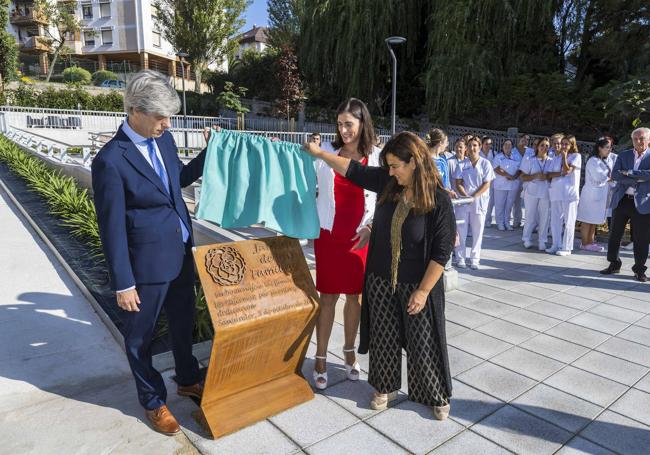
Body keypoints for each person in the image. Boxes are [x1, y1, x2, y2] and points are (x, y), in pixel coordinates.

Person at [303, 131, 456, 420]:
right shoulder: (389, 183)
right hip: (381, 277)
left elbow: (441, 251)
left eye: (396, 165)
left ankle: (434, 392)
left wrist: (423, 292)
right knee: (384, 337)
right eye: (388, 165)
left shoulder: (437, 199)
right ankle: (383, 387)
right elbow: (354, 170)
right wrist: (321, 154)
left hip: (417, 281)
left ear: (415, 162)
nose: (391, 171)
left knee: (423, 341)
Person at [91, 70, 209, 435]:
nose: (166, 123)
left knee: (182, 323)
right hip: (144, 266)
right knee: (140, 337)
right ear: (135, 111)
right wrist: (123, 283)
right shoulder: (110, 161)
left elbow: (178, 181)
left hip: (180, 253)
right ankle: (153, 401)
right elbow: (110, 229)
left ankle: (187, 378)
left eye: (168, 116)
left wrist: (211, 153)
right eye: (160, 116)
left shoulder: (165, 139)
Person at [312, 98, 379, 389]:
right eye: (340, 124)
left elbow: (386, 196)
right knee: (327, 297)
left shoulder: (377, 156)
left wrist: (371, 227)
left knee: (355, 297)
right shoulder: (326, 152)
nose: (344, 129)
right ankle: (321, 355)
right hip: (328, 236)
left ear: (362, 123)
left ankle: (349, 351)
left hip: (359, 237)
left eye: (349, 124)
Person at [601, 127, 650, 282]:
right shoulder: (624, 155)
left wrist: (628, 173)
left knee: (641, 238)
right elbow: (615, 175)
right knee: (615, 234)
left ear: (648, 140)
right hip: (622, 200)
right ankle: (614, 264)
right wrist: (639, 178)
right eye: (635, 138)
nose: (638, 141)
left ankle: (639, 270)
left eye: (642, 138)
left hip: (642, 203)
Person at [454, 136, 495, 269]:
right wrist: (466, 196)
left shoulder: (485, 163)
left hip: (479, 201)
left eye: (475, 145)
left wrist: (474, 196)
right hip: (463, 201)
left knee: (478, 232)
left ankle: (475, 259)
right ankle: (460, 258)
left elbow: (487, 183)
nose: (472, 148)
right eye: (470, 145)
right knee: (461, 231)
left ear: (480, 147)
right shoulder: (461, 164)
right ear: (466, 148)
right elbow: (458, 183)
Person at [577, 138, 614, 252]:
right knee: (587, 219)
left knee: (594, 220)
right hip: (591, 195)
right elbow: (599, 177)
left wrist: (610, 177)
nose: (609, 150)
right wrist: (610, 177)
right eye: (607, 147)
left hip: (600, 195)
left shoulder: (606, 160)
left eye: (610, 147)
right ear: (599, 148)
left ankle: (590, 242)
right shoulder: (593, 160)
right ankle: (584, 243)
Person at [547, 135, 582, 256]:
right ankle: (556, 244)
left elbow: (567, 171)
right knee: (555, 221)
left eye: (566, 144)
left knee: (569, 222)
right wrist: (560, 172)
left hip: (569, 195)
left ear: (572, 145)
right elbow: (549, 174)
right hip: (556, 193)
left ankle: (567, 247)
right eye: (563, 143)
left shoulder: (576, 156)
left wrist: (565, 157)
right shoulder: (556, 157)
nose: (563, 146)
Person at [519, 137, 553, 250]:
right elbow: (522, 176)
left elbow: (554, 176)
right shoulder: (529, 159)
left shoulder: (551, 161)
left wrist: (547, 177)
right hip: (532, 191)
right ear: (537, 146)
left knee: (544, 217)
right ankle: (526, 238)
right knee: (530, 216)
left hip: (545, 192)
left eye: (547, 146)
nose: (544, 148)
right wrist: (535, 176)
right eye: (542, 145)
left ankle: (542, 241)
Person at [492, 139, 521, 231]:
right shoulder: (498, 157)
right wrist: (508, 175)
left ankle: (507, 222)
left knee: (509, 205)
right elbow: (496, 169)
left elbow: (520, 168)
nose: (507, 146)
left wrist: (514, 177)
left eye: (509, 145)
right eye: (505, 144)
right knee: (500, 205)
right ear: (502, 146)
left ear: (512, 147)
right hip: (500, 185)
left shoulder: (517, 157)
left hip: (513, 185)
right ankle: (500, 223)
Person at [426, 128, 455, 197]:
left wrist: (449, 191)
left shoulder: (442, 161)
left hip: (440, 199)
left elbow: (446, 184)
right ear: (440, 143)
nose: (447, 145)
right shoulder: (424, 160)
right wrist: (446, 191)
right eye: (446, 142)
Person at [512, 134, 531, 227]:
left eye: (527, 139)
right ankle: (517, 220)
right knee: (516, 201)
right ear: (519, 139)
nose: (525, 140)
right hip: (516, 178)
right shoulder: (513, 151)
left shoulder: (530, 151)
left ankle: (528, 223)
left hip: (526, 179)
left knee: (527, 202)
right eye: (523, 138)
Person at [480, 136, 497, 227]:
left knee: (490, 202)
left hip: (491, 181)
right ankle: (481, 219)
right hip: (480, 181)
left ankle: (488, 220)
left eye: (490, 144)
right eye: (486, 144)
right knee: (480, 200)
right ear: (482, 144)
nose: (488, 146)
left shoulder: (494, 153)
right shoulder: (478, 153)